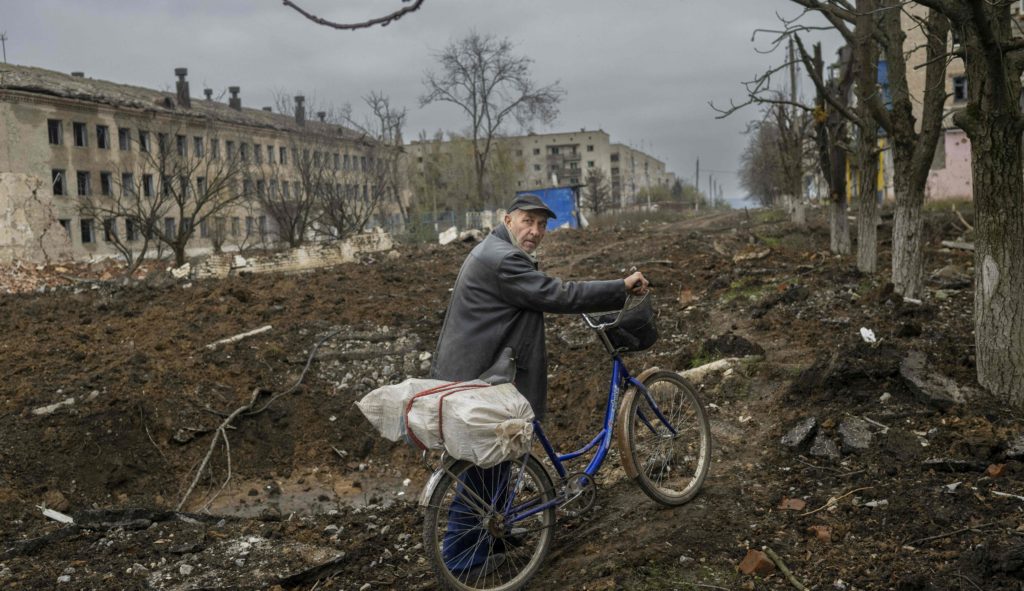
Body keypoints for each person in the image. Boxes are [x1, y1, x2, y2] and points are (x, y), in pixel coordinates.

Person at [432, 193, 648, 575]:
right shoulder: (504, 259)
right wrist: (621, 287)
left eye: (542, 224)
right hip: (479, 375)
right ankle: (462, 558)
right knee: (486, 466)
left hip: (476, 369)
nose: (534, 231)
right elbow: (556, 294)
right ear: (508, 220)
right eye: (527, 221)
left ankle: (493, 534)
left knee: (498, 459)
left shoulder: (495, 250)